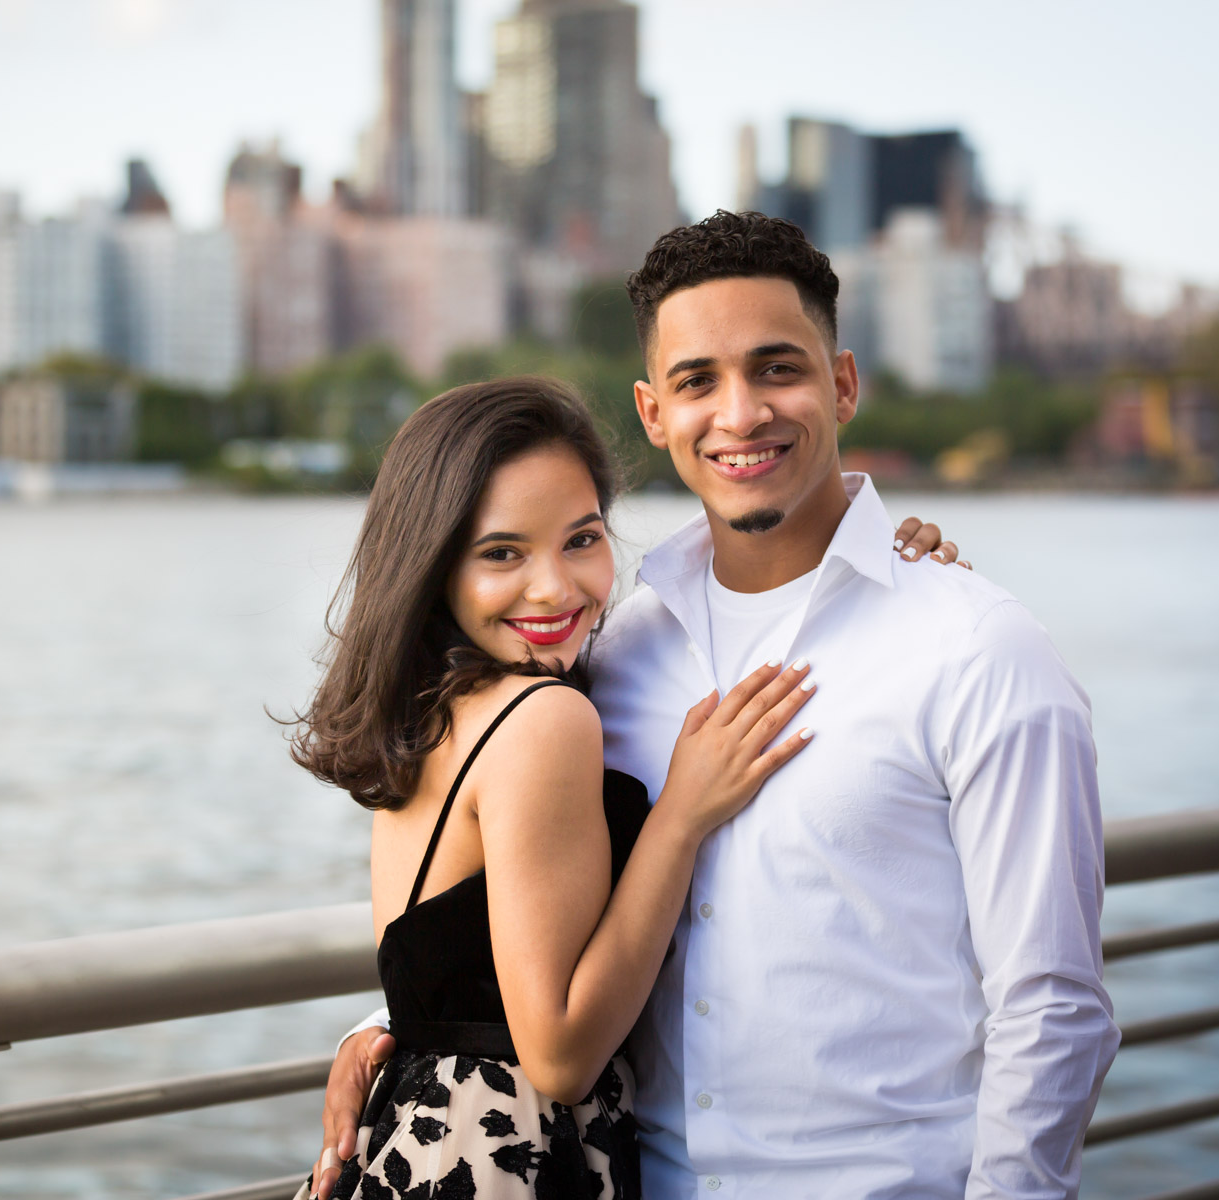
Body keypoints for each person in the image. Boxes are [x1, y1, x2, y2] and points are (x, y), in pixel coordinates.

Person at [315, 212, 1118, 1200]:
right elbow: (516, 893)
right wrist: (390, 1025)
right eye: (699, 380)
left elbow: (1052, 1007)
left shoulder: (976, 648)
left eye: (778, 368)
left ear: (844, 384)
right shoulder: (606, 654)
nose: (740, 414)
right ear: (655, 413)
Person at [290, 376, 960, 1199]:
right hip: (504, 1158)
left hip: (419, 1138)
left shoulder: (438, 708)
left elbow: (457, 957)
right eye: (502, 553)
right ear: (433, 565)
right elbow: (563, 1058)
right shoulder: (542, 717)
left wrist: (886, 555)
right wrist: (681, 815)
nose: (556, 588)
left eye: (581, 539)